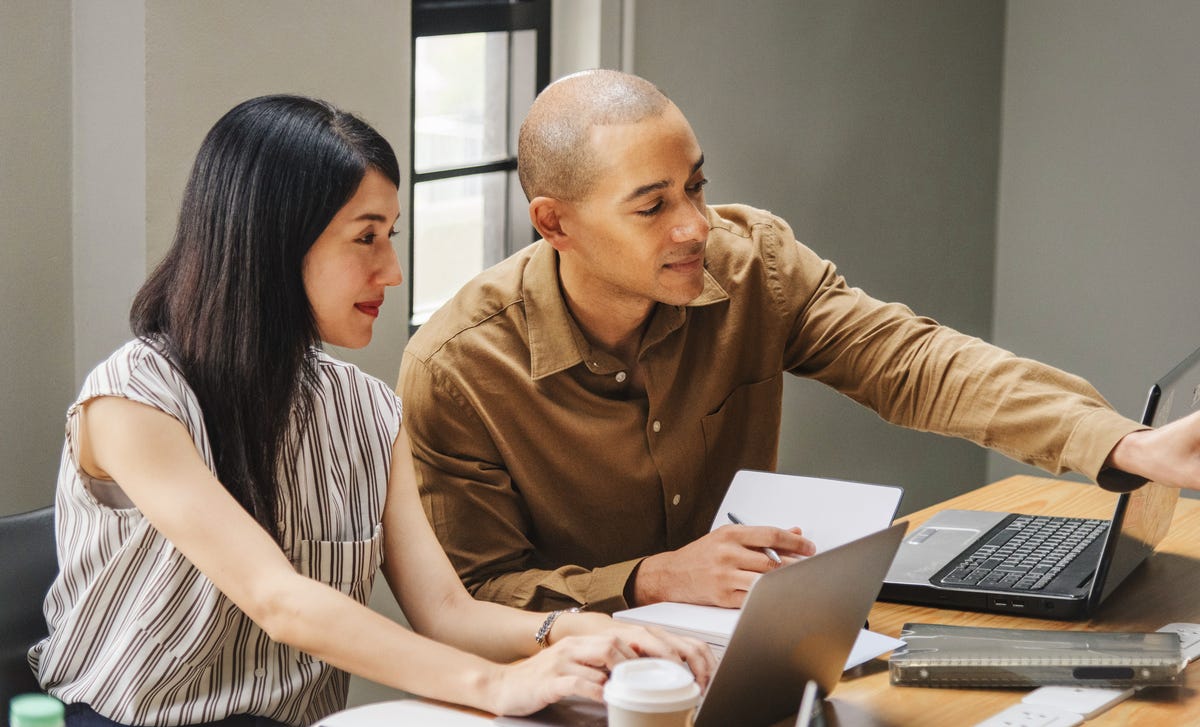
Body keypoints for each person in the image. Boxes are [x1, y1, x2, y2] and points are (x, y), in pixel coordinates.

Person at [397, 69, 1200, 615]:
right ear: (555, 223)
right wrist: (646, 581)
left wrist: (1128, 445)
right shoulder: (459, 367)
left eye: (697, 186)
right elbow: (473, 594)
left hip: (755, 645)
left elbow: (914, 361)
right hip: (572, 684)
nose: (694, 225)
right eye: (652, 207)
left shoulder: (753, 264)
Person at [29, 95, 713, 727]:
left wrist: (573, 630)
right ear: (271, 242)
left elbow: (446, 613)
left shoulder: (367, 410)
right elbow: (280, 601)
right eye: (366, 237)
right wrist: (496, 685)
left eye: (391, 233)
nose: (392, 270)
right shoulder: (132, 399)